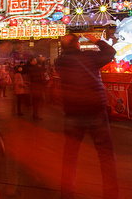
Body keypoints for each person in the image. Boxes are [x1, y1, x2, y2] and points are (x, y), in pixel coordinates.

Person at [54, 33, 118, 199]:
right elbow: (111, 52)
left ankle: (66, 193)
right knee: (105, 155)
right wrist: (95, 40)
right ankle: (110, 194)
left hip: (73, 113)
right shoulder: (90, 57)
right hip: (96, 110)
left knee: (70, 155)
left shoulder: (59, 63)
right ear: (78, 45)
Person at [24, 56, 47, 121]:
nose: (35, 61)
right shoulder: (33, 68)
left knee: (36, 100)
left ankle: (35, 114)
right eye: (34, 60)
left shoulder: (30, 68)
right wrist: (41, 61)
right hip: (36, 85)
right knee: (36, 100)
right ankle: (35, 114)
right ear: (31, 62)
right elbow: (41, 70)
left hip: (35, 85)